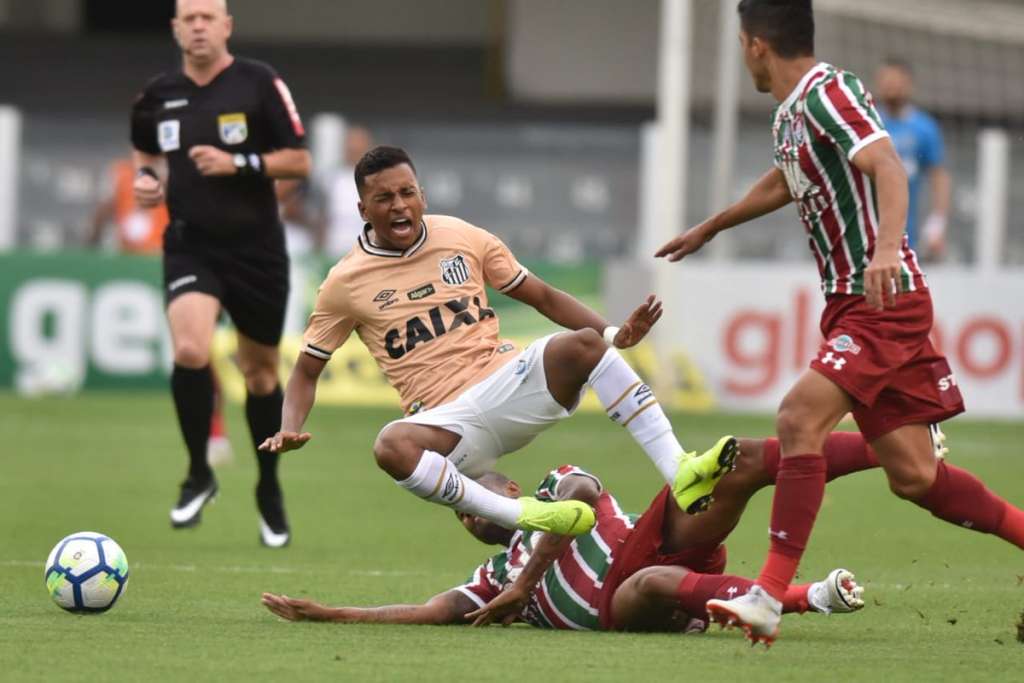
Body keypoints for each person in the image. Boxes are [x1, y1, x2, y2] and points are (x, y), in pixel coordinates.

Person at [656, 0, 1024, 645]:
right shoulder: (791, 113)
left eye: (741, 43)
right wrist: (713, 225)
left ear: (755, 45)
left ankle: (768, 594)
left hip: (883, 298)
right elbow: (785, 182)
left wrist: (885, 248)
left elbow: (886, 163)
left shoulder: (831, 91)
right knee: (914, 476)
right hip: (853, 303)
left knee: (799, 418)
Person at [260, 145, 738, 540]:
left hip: (506, 386)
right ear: (363, 210)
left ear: (422, 194)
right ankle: (527, 517)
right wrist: (288, 425)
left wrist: (616, 334)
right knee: (397, 451)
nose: (399, 205)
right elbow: (306, 370)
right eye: (383, 198)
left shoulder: (462, 237)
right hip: (445, 423)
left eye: (407, 193)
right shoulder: (344, 282)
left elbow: (543, 296)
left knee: (587, 345)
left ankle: (679, 469)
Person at [260, 433, 876, 632]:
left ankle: (887, 448)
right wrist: (330, 614)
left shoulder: (555, 486)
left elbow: (583, 497)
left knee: (738, 470)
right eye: (462, 516)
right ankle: (806, 597)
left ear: (509, 494)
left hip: (655, 537)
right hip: (621, 600)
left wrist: (529, 583)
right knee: (653, 581)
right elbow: (429, 610)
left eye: (477, 503)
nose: (472, 517)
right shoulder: (491, 579)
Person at [130, 0, 311, 547]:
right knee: (190, 349)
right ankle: (198, 473)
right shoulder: (157, 96)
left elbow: (299, 161)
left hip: (257, 250)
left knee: (258, 374)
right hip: (191, 245)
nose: (200, 25)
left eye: (210, 16)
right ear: (176, 29)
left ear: (227, 26)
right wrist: (145, 182)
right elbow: (143, 154)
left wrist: (242, 163)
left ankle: (268, 487)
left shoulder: (259, 82)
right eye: (191, 17)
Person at [88, 154, 235, 468]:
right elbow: (110, 209)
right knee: (192, 353)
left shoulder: (191, 169)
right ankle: (208, 436)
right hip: (143, 269)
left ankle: (216, 433)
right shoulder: (124, 172)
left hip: (189, 269)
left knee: (199, 352)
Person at [874, 59, 951, 260]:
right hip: (867, 228)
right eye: (886, 81)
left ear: (908, 85)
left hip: (907, 234)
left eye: (896, 81)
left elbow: (938, 176)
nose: (891, 87)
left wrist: (937, 223)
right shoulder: (870, 123)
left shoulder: (924, 128)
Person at [324, 125, 374, 259]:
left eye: (358, 145)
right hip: (335, 248)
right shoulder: (332, 178)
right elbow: (322, 215)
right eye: (351, 145)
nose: (354, 149)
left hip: (368, 247)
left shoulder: (378, 178)